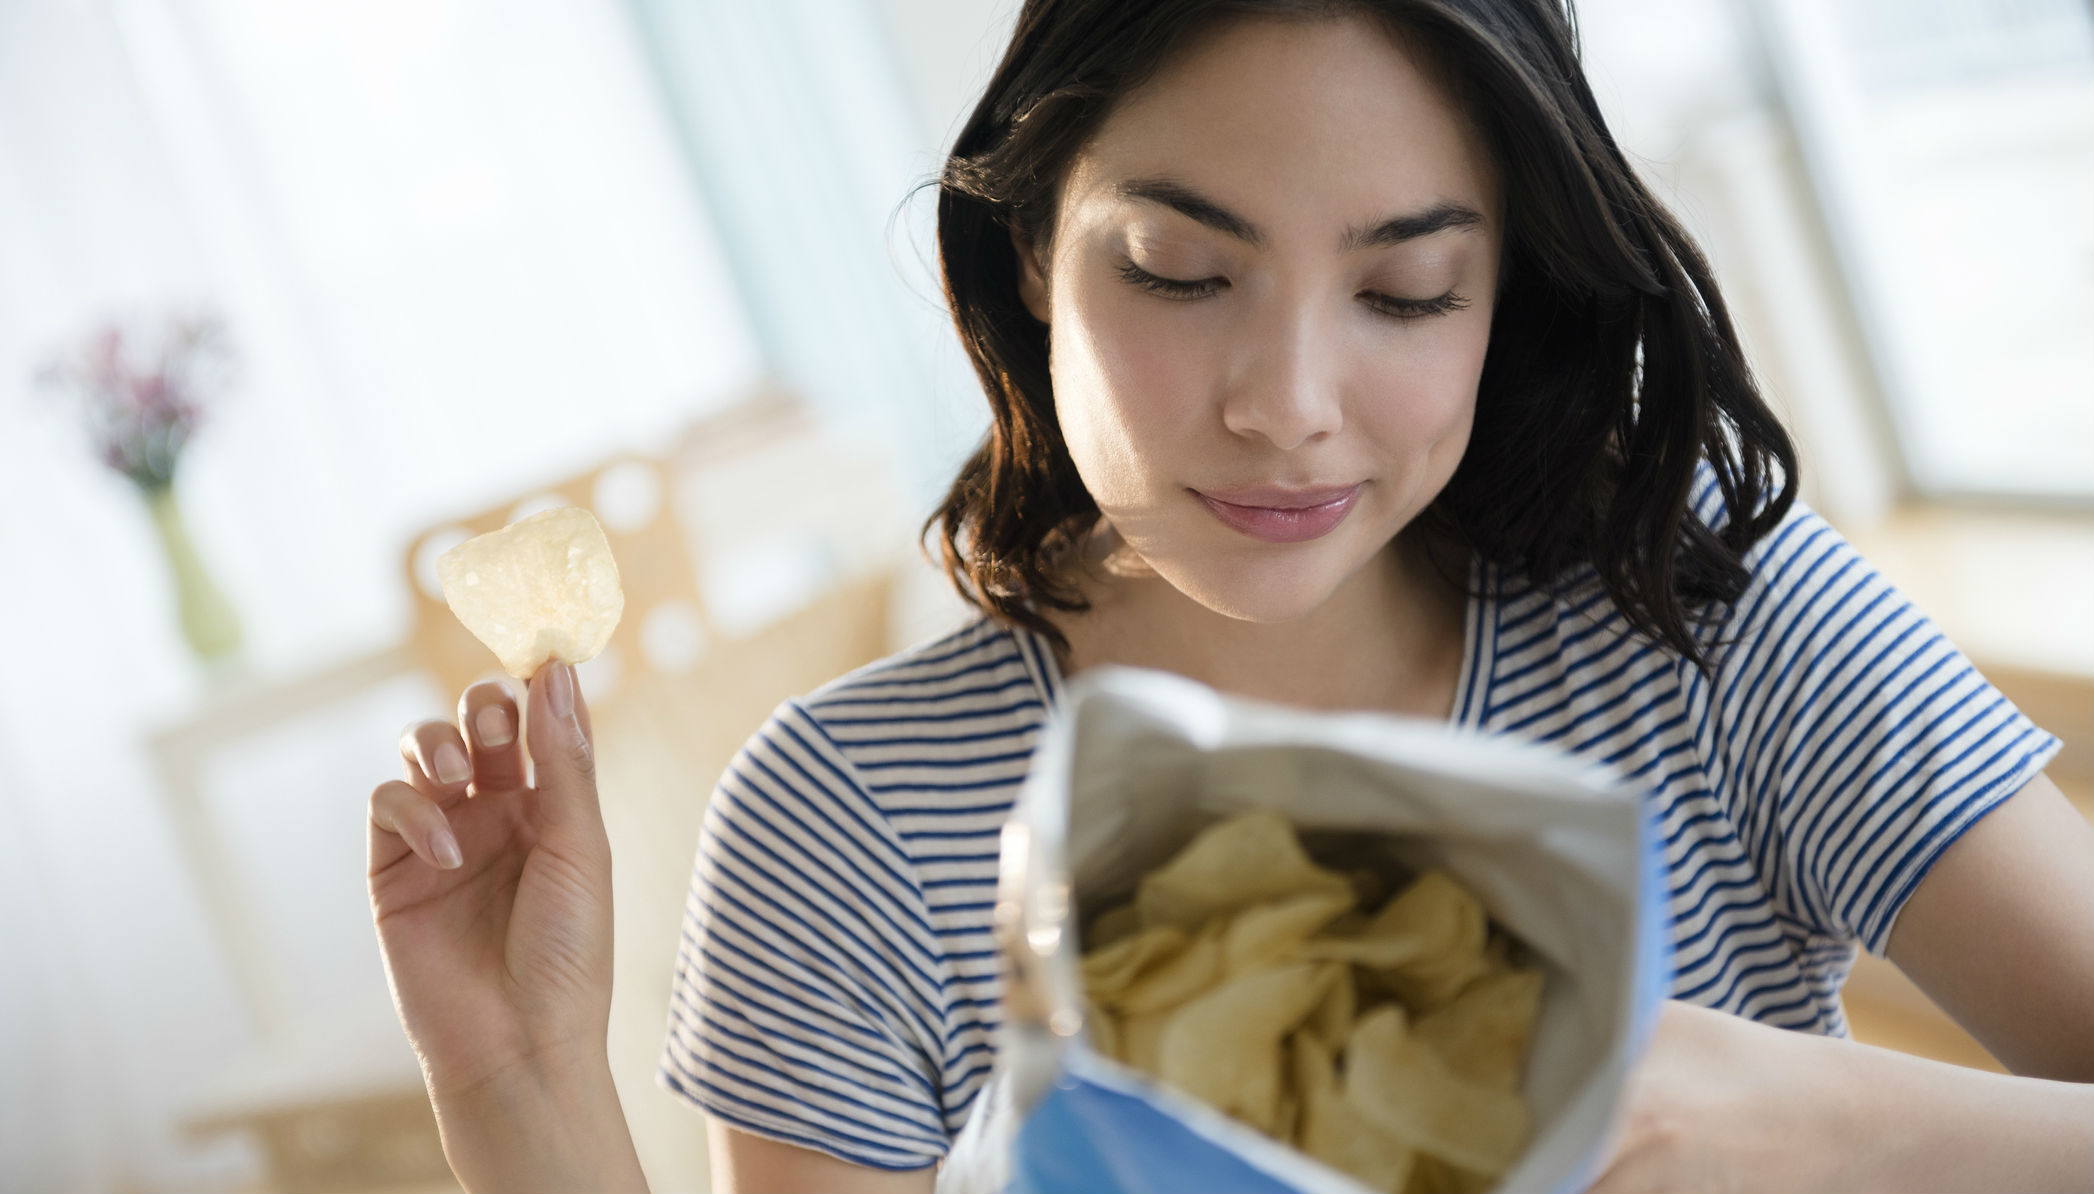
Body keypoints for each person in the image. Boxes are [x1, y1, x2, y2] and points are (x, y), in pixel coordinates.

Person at [366, 1, 2094, 1191]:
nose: (1285, 401)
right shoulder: (850, 822)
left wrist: (1823, 1122)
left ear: (1509, 291)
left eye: (1405, 290)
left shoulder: (1703, 610)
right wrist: (517, 1099)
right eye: (1183, 272)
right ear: (1034, 246)